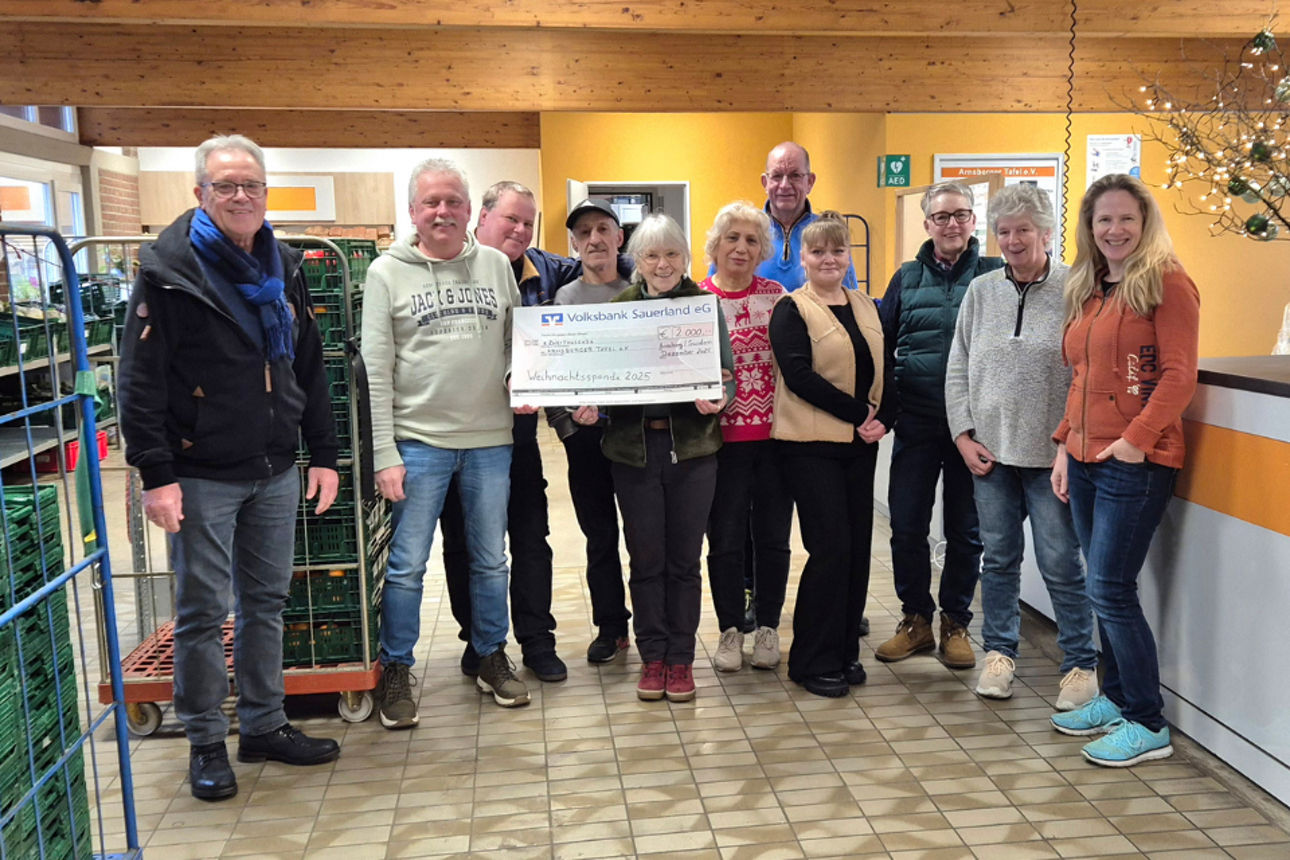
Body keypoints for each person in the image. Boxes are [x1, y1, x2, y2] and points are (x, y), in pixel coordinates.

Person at [118, 134, 341, 801]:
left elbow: (308, 365)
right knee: (203, 609)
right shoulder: (169, 272)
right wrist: (156, 474)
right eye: (226, 186)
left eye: (252, 185)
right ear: (200, 194)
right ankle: (206, 742)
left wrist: (323, 454)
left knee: (266, 603)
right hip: (200, 472)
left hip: (274, 466)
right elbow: (139, 381)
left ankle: (264, 724)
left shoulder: (283, 266)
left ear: (265, 193)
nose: (241, 196)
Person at [363, 158, 531, 728]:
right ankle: (396, 668)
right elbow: (376, 370)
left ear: (469, 210)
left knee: (490, 560)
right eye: (431, 202)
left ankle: (490, 655)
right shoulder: (386, 273)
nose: (443, 211)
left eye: (453, 201)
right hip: (418, 443)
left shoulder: (495, 265)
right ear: (413, 211)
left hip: (489, 440)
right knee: (407, 565)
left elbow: (514, 343)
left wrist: (518, 377)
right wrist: (384, 453)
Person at [1049, 174, 1199, 767]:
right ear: (1090, 228)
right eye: (1103, 220)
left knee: (1111, 588)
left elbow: (1179, 376)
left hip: (1136, 462)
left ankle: (1147, 721)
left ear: (1145, 223)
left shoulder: (1167, 281)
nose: (1114, 230)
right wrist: (1064, 445)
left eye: (1126, 219)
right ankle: (1114, 698)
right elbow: (1083, 378)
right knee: (1102, 586)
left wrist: (1137, 440)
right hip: (1087, 458)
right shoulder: (1090, 286)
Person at [944, 184, 1099, 710]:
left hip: (1052, 459)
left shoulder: (1077, 289)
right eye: (1004, 231)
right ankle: (999, 654)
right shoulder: (981, 291)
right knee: (999, 560)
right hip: (990, 456)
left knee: (1061, 563)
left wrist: (1068, 445)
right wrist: (963, 434)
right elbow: (958, 365)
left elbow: (1088, 372)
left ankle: (1081, 664)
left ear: (1046, 233)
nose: (1013, 240)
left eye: (1024, 230)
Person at [588, 213, 735, 702]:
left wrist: (720, 398)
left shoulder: (703, 307)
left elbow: (727, 375)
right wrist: (589, 403)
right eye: (652, 255)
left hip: (693, 452)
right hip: (632, 453)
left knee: (685, 561)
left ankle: (682, 658)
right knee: (646, 559)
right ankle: (653, 656)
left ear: (685, 257)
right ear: (638, 260)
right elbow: (603, 377)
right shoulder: (620, 309)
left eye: (672, 253)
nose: (663, 264)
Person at [875, 181, 1004, 671]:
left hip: (974, 427)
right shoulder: (906, 278)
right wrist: (887, 410)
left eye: (961, 215)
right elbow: (884, 345)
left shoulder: (994, 276)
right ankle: (915, 620)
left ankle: (956, 623)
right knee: (907, 524)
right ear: (927, 223)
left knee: (966, 530)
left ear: (974, 220)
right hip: (918, 421)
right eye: (942, 216)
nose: (952, 224)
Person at [439, 180, 564, 684]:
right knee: (462, 542)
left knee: (530, 537)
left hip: (518, 434)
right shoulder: (449, 266)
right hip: (456, 435)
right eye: (511, 218)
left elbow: (603, 266)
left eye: (529, 222)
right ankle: (478, 641)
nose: (521, 230)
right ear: (482, 218)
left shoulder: (546, 271)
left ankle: (537, 641)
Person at [769, 211, 893, 698]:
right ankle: (811, 660)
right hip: (810, 446)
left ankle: (843, 652)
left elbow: (887, 366)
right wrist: (860, 413)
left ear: (848, 257)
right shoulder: (791, 309)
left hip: (860, 445)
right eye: (818, 251)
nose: (828, 259)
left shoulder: (865, 305)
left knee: (857, 550)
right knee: (830, 549)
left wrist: (886, 417)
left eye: (837, 250)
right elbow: (799, 375)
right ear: (802, 257)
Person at [698, 202, 792, 673]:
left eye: (752, 240)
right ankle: (730, 630)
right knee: (726, 540)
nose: (741, 247)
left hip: (775, 440)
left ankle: (769, 627)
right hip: (719, 443)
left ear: (762, 251)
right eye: (732, 238)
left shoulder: (778, 297)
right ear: (715, 245)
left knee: (774, 538)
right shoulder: (696, 300)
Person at [549, 198, 633, 664]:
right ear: (574, 243)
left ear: (619, 237)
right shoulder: (564, 299)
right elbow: (559, 368)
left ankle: (653, 625)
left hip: (637, 434)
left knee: (643, 536)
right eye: (584, 233)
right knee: (599, 537)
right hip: (586, 439)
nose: (594, 239)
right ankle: (611, 627)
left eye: (603, 229)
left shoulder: (642, 291)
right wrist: (568, 419)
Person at [758, 142, 858, 292]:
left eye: (795, 176)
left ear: (810, 182)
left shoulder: (829, 234)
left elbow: (848, 295)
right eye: (777, 176)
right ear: (765, 182)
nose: (784, 185)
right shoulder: (746, 233)